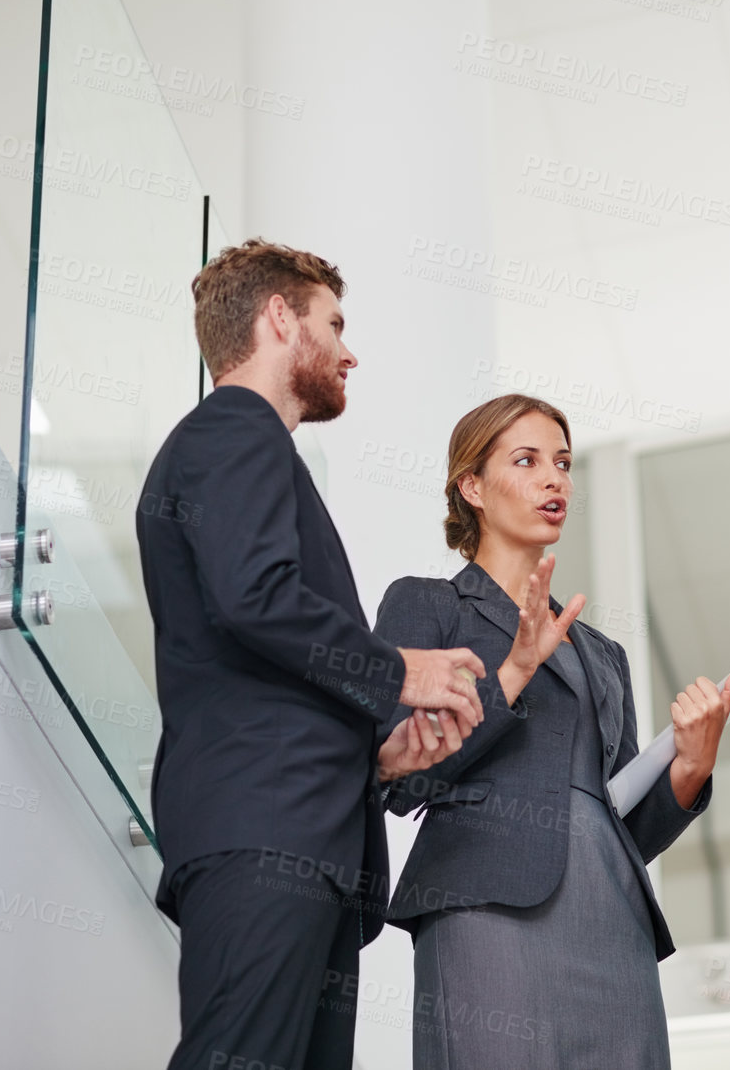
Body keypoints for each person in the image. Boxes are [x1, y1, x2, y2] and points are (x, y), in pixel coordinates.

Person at [136, 239, 490, 1070]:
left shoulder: (244, 447)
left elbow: (262, 655)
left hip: (301, 837)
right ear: (278, 319)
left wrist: (379, 759)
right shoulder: (234, 429)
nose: (349, 349)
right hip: (265, 833)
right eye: (334, 323)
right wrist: (402, 669)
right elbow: (254, 597)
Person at [373, 394, 730, 1069]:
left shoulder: (602, 654)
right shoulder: (427, 604)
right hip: (487, 904)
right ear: (472, 486)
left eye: (564, 464)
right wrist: (512, 671)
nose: (555, 480)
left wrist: (691, 764)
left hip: (611, 912)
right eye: (528, 460)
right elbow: (395, 777)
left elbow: (624, 819)